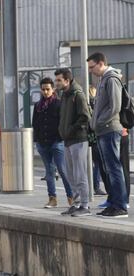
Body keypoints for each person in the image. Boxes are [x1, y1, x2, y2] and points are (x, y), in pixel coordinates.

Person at [88, 52, 128, 218]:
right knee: (109, 169)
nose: (90, 71)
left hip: (110, 129)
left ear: (101, 63)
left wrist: (98, 123)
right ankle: (113, 203)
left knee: (114, 168)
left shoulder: (111, 79)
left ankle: (120, 206)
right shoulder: (103, 79)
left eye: (92, 67)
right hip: (103, 130)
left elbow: (114, 107)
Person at [32, 77, 73, 208]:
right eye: (43, 89)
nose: (45, 92)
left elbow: (63, 121)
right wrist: (37, 140)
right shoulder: (38, 105)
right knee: (49, 171)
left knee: (62, 169)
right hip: (43, 143)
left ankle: (71, 197)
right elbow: (35, 123)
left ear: (53, 89)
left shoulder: (59, 104)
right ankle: (52, 198)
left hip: (57, 141)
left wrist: (61, 137)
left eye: (48, 89)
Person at [55, 68, 91, 217]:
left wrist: (70, 129)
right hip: (68, 140)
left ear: (67, 80)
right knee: (71, 174)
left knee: (79, 173)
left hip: (78, 139)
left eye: (59, 80)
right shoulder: (65, 96)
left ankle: (85, 205)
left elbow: (85, 116)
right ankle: (75, 204)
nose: (56, 83)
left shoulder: (78, 95)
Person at [88, 85, 107, 196]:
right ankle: (96, 186)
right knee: (98, 163)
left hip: (89, 137)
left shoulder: (89, 102)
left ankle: (93, 186)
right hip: (95, 137)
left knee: (93, 163)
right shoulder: (94, 104)